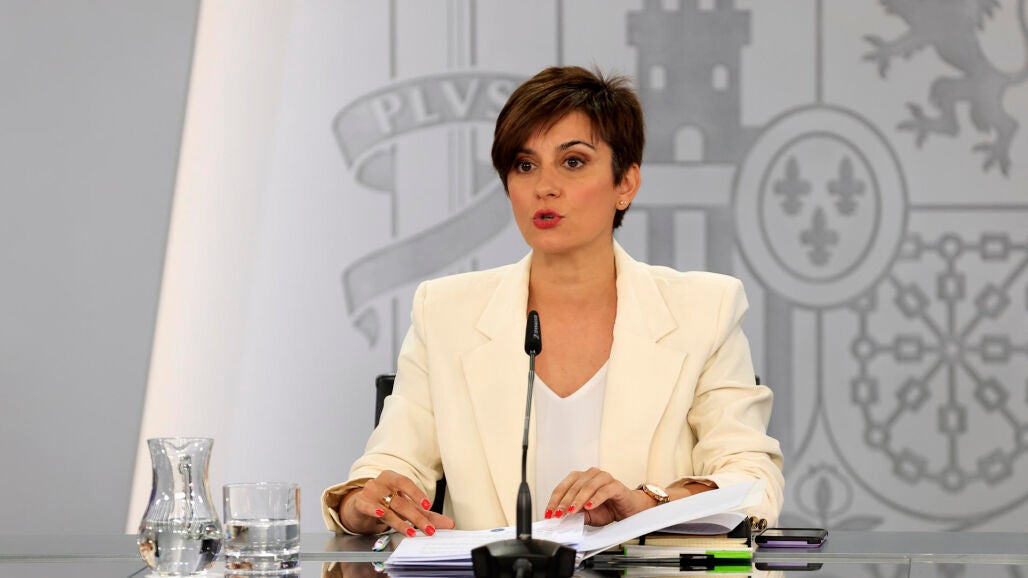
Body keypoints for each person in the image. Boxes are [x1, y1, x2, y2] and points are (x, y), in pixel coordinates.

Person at [321, 66, 784, 538]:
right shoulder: (445, 312)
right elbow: (391, 464)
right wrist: (362, 504)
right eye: (525, 165)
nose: (544, 186)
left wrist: (644, 502)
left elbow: (753, 482)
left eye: (573, 162)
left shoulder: (704, 310)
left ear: (625, 184)